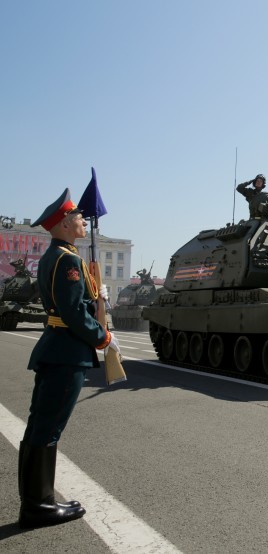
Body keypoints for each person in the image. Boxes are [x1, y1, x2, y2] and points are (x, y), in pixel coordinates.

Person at [19, 188, 119, 529]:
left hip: (56, 348)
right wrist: (103, 336)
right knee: (47, 429)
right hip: (67, 352)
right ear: (63, 224)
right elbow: (74, 312)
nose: (82, 221)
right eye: (77, 217)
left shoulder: (56, 256)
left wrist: (97, 294)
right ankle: (38, 505)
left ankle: (38, 500)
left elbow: (72, 303)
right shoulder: (69, 259)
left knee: (40, 426)